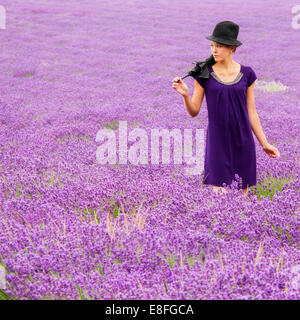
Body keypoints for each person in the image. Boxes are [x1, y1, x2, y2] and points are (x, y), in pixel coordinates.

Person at [172, 21, 280, 196]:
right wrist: (185, 94)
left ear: (232, 48)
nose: (214, 50)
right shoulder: (204, 74)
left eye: (219, 46)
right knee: (219, 198)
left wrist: (264, 144)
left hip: (243, 140)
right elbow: (194, 111)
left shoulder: (247, 74)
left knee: (243, 199)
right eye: (212, 45)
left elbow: (251, 112)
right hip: (217, 142)